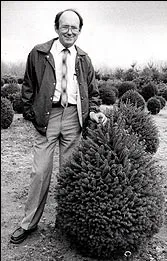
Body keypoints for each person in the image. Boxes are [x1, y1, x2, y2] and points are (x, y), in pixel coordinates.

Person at [10, 8, 107, 244]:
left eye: (75, 28)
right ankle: (28, 223)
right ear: (56, 28)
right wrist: (32, 114)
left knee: (70, 173)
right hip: (47, 116)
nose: (70, 31)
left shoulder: (84, 58)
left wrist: (93, 113)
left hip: (74, 118)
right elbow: (28, 88)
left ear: (80, 31)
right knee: (40, 172)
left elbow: (92, 93)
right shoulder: (39, 53)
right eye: (65, 26)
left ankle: (65, 223)